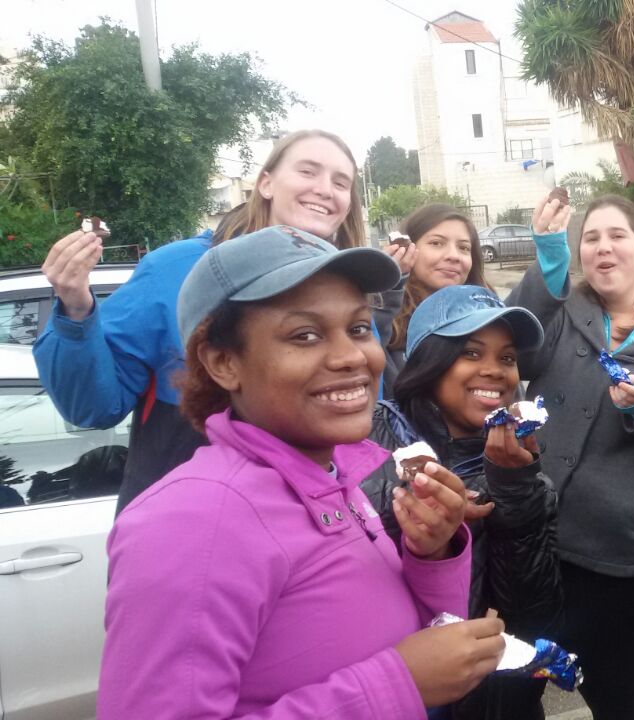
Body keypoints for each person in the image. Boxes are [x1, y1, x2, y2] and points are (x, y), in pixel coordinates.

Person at [98, 225, 504, 718]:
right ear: (224, 363)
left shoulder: (336, 479)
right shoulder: (194, 520)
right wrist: (398, 684)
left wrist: (432, 551)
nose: (352, 356)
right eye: (305, 335)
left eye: (357, 327)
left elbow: (392, 636)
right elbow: (398, 674)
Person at [34, 129, 416, 514]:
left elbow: (357, 425)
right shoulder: (173, 270)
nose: (324, 189)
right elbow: (93, 407)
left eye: (341, 182)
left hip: (325, 526)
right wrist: (76, 312)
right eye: (308, 171)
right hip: (189, 527)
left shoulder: (352, 284)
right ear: (265, 183)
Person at [505, 193, 634, 720]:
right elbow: (518, 351)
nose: (603, 248)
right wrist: (546, 260)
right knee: (514, 690)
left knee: (618, 700)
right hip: (544, 546)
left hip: (633, 558)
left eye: (617, 236)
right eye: (591, 238)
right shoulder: (561, 311)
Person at [364, 284, 559, 720]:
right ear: (429, 362)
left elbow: (531, 616)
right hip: (387, 692)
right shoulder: (370, 436)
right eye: (471, 353)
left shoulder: (526, 475)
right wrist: (423, 519)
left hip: (487, 703)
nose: (495, 371)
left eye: (507, 358)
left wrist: (515, 491)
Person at [381, 204, 489, 390]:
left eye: (464, 248)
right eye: (436, 243)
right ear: (406, 248)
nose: (454, 256)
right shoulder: (384, 322)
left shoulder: (489, 316)